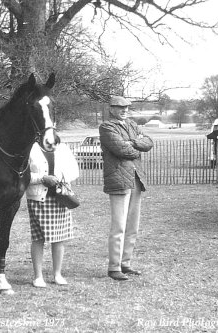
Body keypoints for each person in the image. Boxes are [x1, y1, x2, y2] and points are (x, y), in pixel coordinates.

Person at [99, 96, 153, 281]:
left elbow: (149, 142)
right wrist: (135, 143)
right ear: (111, 108)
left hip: (136, 179)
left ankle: (125, 263)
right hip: (119, 180)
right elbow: (121, 150)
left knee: (132, 226)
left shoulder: (131, 124)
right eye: (120, 107)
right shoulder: (107, 127)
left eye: (126, 107)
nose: (124, 110)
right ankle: (114, 267)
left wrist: (132, 142)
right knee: (119, 226)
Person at [26, 138, 79, 287]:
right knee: (38, 238)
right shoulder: (31, 148)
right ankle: (38, 276)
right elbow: (23, 174)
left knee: (59, 237)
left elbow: (74, 170)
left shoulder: (63, 148)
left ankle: (57, 274)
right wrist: (42, 178)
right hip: (38, 198)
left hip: (61, 197)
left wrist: (61, 178)